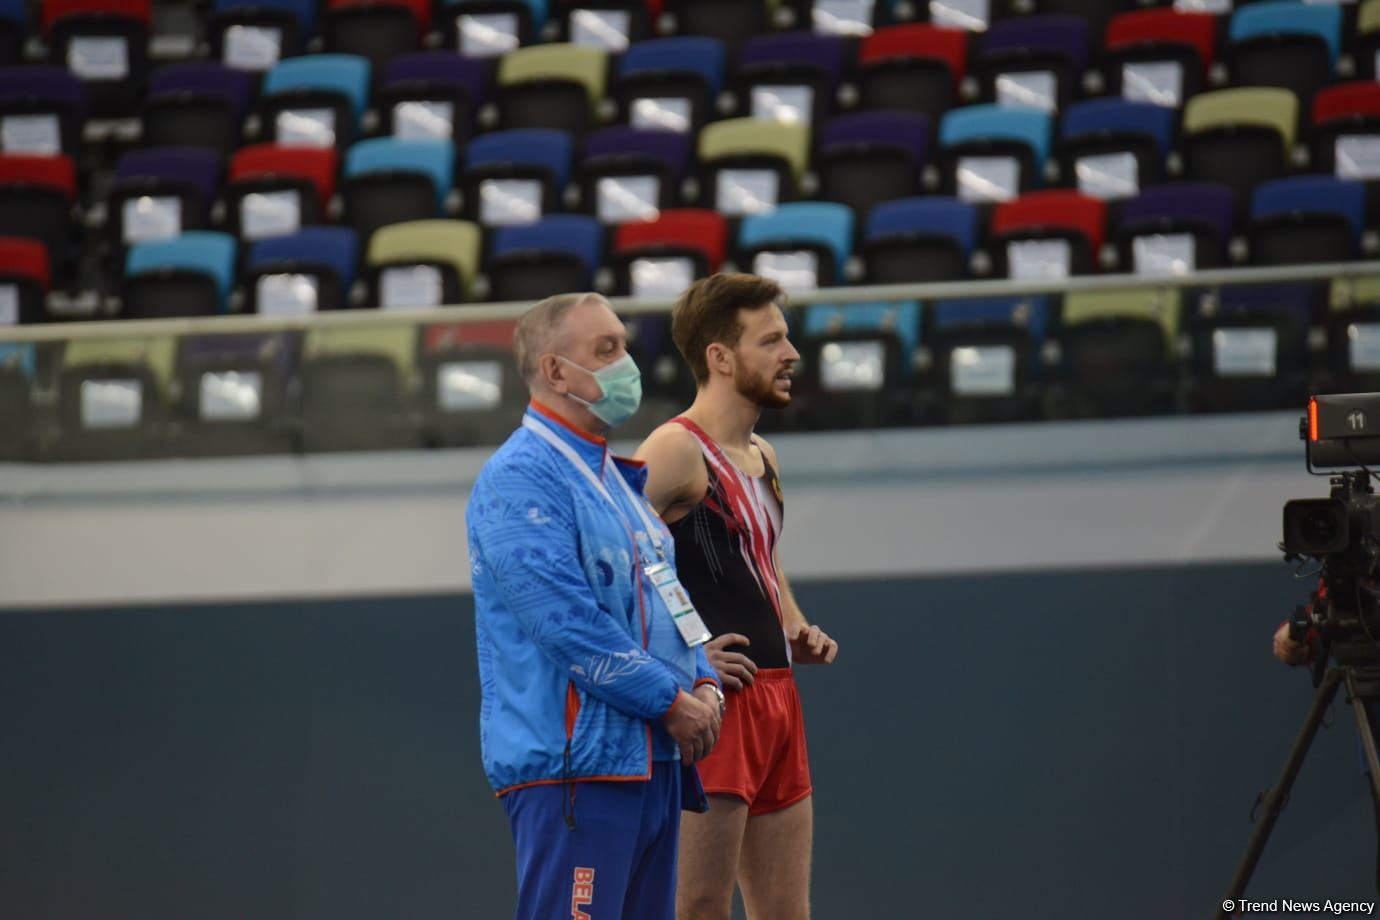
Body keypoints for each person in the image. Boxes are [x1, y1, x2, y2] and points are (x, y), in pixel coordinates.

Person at [466, 291, 727, 920]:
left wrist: (708, 682)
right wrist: (671, 700)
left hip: (655, 764)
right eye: (605, 350)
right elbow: (564, 621)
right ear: (555, 371)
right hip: (578, 769)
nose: (625, 365)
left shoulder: (621, 483)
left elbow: (674, 602)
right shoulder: (520, 477)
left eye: (625, 347)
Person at [634, 273, 840, 920]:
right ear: (721, 358)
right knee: (699, 906)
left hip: (778, 697)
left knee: (786, 909)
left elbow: (761, 557)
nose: (791, 353)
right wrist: (677, 661)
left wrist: (795, 625)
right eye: (771, 339)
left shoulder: (763, 454)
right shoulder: (673, 450)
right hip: (716, 706)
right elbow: (610, 568)